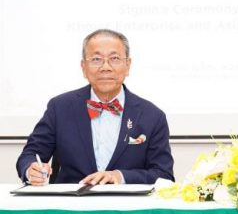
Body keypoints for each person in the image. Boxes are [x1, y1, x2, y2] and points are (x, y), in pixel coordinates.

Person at [17, 29, 174, 185]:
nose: (105, 67)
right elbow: (30, 155)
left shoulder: (153, 116)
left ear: (128, 65)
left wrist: (120, 176)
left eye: (114, 58)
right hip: (71, 200)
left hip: (126, 201)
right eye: (96, 59)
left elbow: (164, 175)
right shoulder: (59, 107)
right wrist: (31, 170)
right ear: (83, 67)